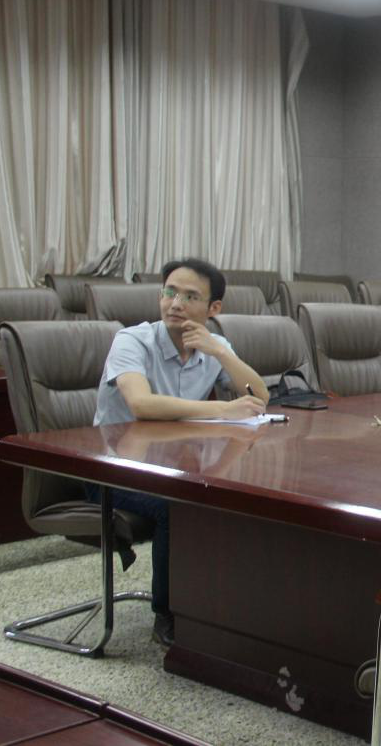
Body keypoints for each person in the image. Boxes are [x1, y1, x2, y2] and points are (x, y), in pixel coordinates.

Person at [93, 258, 268, 645]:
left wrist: (221, 352)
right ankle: (170, 615)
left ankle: (220, 605)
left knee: (235, 495)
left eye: (190, 297)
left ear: (213, 308)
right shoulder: (132, 340)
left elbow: (260, 397)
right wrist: (222, 409)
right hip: (112, 469)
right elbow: (141, 404)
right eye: (170, 292)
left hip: (173, 466)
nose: (175, 303)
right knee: (178, 506)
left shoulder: (211, 345)